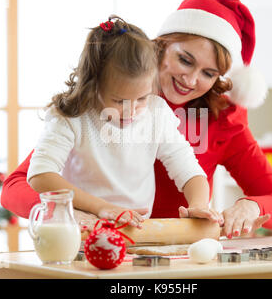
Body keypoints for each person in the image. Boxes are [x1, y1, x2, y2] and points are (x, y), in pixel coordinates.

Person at [1, 0, 272, 238]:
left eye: (208, 73)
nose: (191, 80)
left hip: (173, 251)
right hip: (95, 239)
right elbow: (18, 186)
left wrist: (250, 207)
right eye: (184, 59)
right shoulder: (100, 100)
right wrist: (70, 212)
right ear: (161, 47)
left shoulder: (218, 120)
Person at [25, 15, 221, 228]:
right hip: (81, 230)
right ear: (94, 86)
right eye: (119, 101)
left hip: (136, 232)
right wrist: (101, 207)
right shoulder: (71, 116)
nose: (131, 110)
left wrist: (199, 203)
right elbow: (40, 175)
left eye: (142, 98)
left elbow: (189, 169)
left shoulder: (157, 113)